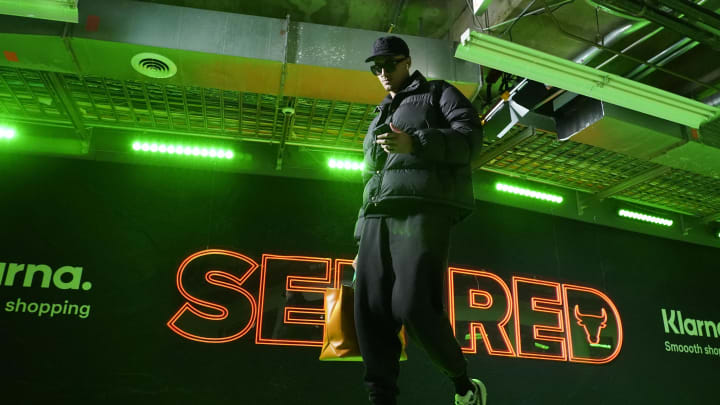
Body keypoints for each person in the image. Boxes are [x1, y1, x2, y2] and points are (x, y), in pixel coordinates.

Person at [351, 35, 486, 405]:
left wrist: (417, 143)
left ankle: (463, 385)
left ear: (406, 61)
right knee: (370, 313)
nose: (382, 73)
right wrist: (361, 241)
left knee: (413, 305)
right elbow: (370, 178)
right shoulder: (380, 112)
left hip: (421, 207)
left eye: (389, 65)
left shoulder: (438, 93)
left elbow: (470, 139)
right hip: (377, 216)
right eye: (375, 68)